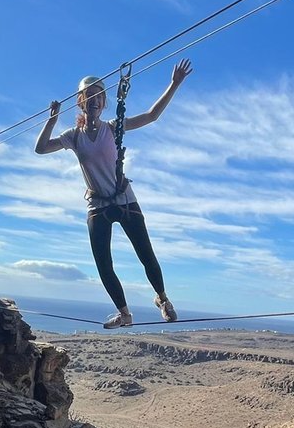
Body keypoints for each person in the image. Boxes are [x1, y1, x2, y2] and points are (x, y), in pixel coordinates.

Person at [34, 59, 192, 328]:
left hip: (124, 198)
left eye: (98, 96)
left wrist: (174, 84)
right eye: (88, 97)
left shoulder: (112, 127)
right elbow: (41, 148)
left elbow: (151, 116)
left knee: (146, 255)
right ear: (81, 102)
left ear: (104, 102)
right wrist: (52, 120)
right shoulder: (73, 135)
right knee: (103, 264)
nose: (93, 101)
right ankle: (124, 312)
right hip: (97, 204)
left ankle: (163, 299)